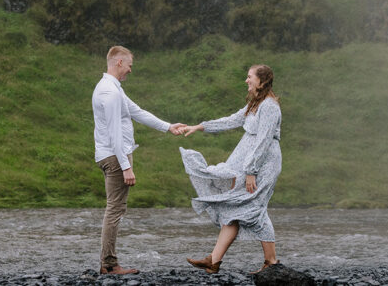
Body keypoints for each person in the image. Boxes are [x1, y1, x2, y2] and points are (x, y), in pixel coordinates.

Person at [179, 64, 282, 275]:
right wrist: (200, 126)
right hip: (248, 162)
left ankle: (271, 262)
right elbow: (232, 120)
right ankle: (213, 260)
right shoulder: (255, 104)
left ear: (261, 82)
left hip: (262, 165)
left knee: (254, 208)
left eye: (250, 77)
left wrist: (252, 170)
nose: (246, 80)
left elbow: (263, 140)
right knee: (235, 209)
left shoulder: (270, 106)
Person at [92, 45, 186, 276]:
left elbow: (137, 111)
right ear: (119, 63)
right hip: (115, 156)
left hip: (112, 154)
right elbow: (114, 132)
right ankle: (110, 264)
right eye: (130, 65)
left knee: (115, 208)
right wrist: (126, 167)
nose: (131, 70)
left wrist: (167, 126)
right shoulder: (110, 92)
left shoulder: (113, 88)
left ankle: (109, 262)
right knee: (115, 209)